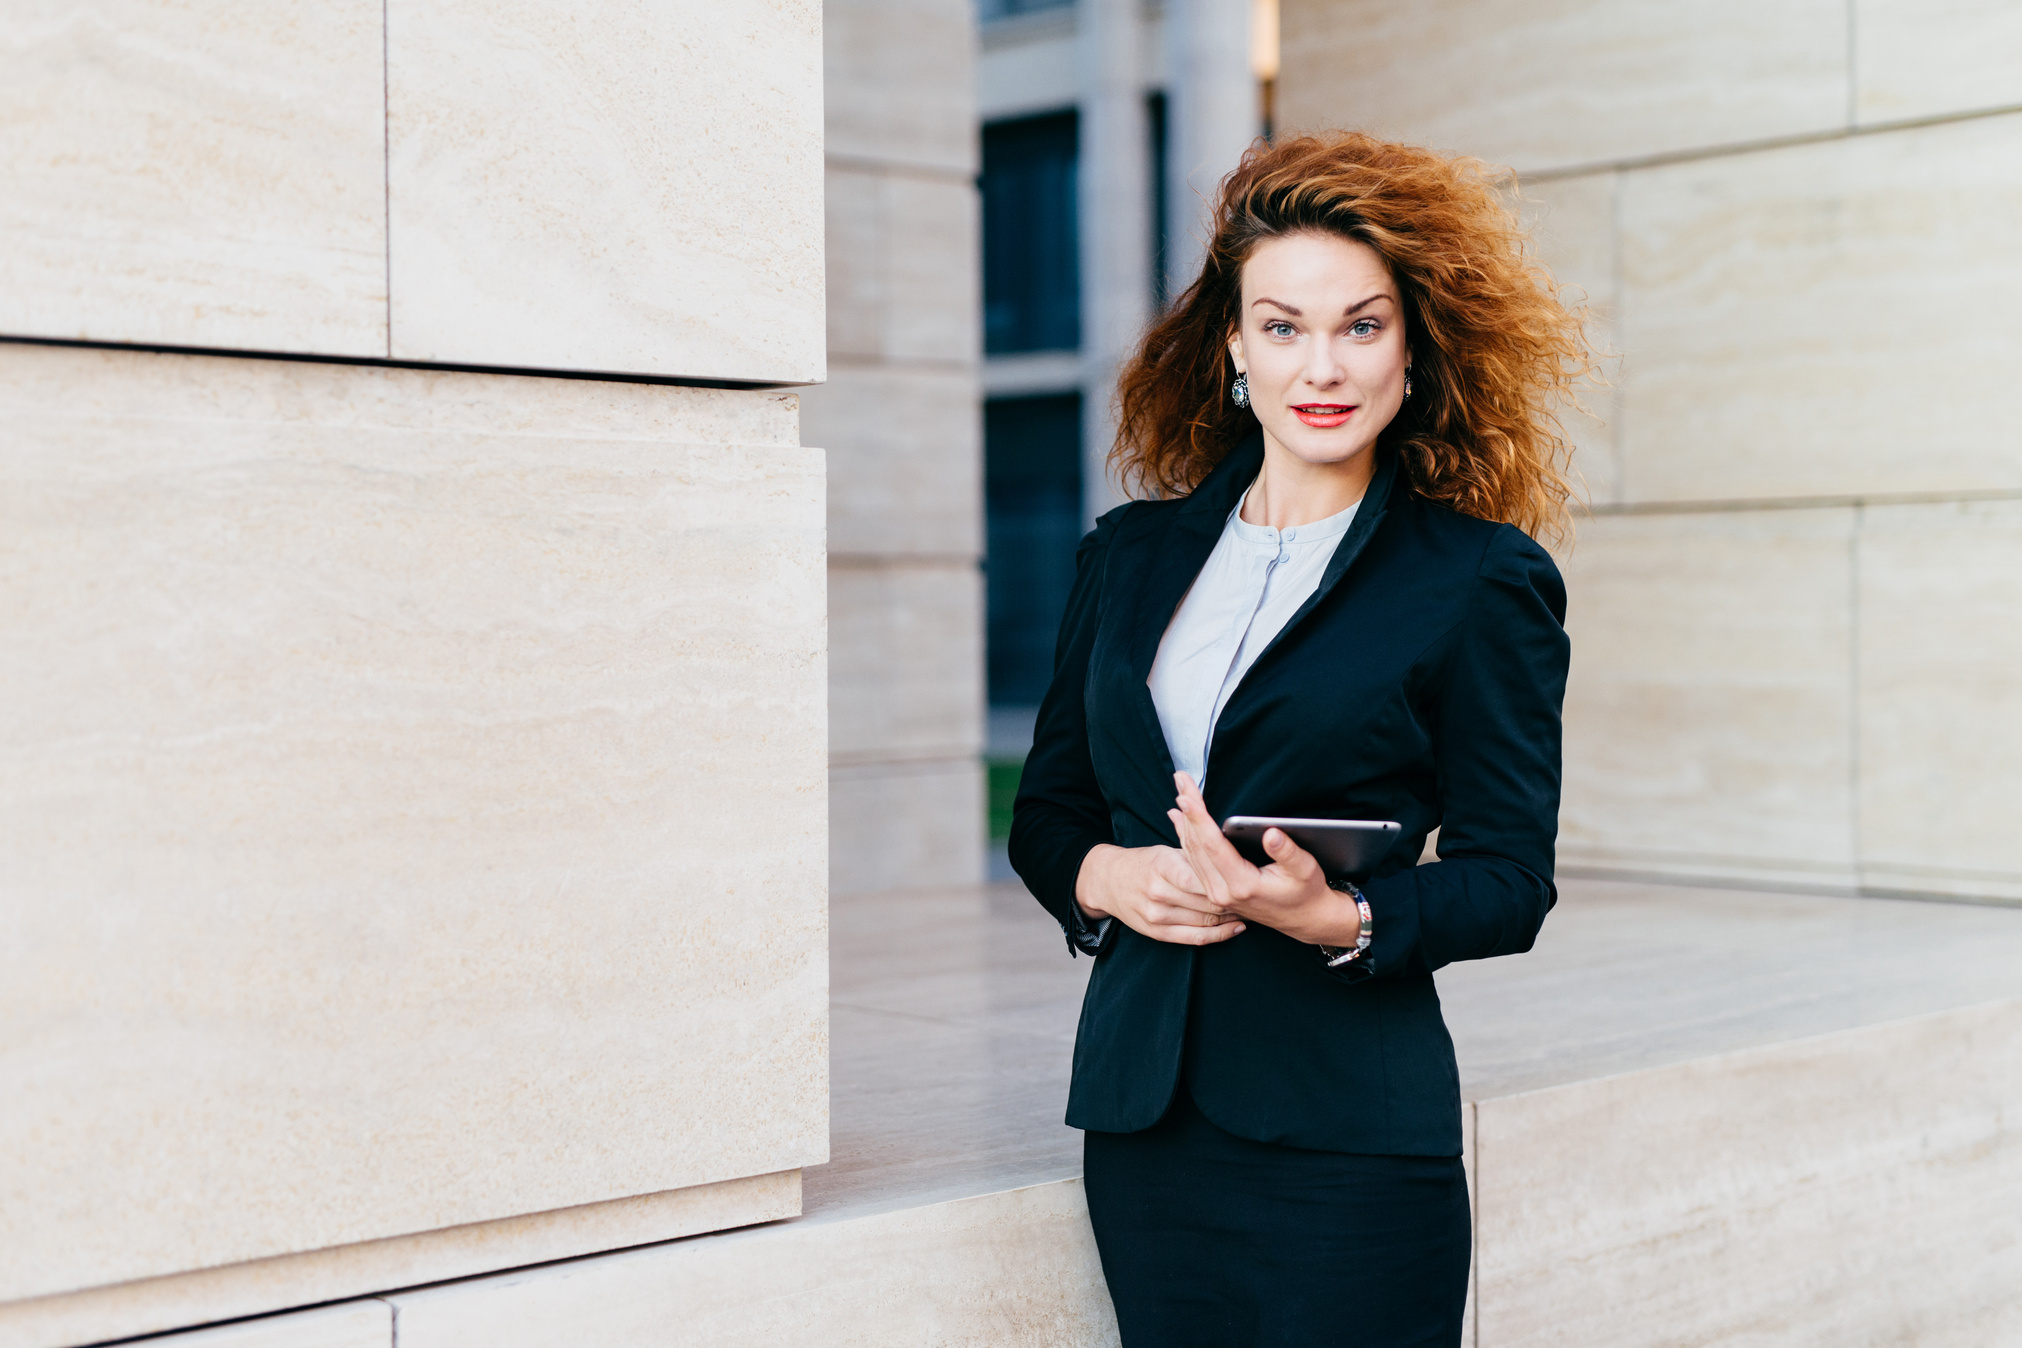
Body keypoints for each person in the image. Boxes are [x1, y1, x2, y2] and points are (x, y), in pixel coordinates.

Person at [1008, 131, 1591, 1346]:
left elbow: (1507, 879)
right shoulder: (1130, 557)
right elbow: (1052, 811)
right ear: (1231, 345)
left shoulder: (1479, 578)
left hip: (1349, 1143)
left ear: (1415, 346)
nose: (1320, 365)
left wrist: (1342, 918)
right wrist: (1108, 876)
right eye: (1283, 327)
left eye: (1361, 326)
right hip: (1145, 1126)